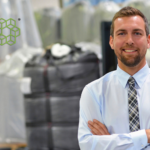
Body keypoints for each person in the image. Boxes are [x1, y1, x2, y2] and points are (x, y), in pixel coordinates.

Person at [78, 6, 150, 150]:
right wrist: (146, 137)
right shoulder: (93, 92)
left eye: (137, 33)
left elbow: (99, 146)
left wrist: (109, 142)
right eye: (122, 33)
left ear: (148, 40)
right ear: (111, 41)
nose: (130, 40)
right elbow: (88, 146)